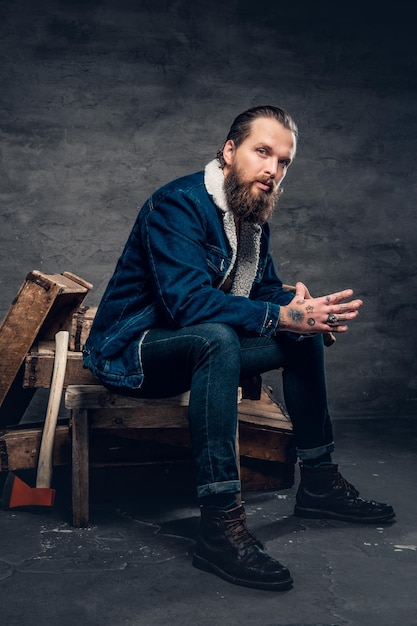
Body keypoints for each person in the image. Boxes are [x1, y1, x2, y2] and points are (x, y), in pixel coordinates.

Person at [83, 105, 395, 591]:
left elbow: (260, 292)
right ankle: (220, 522)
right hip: (132, 352)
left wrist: (303, 310)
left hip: (197, 350)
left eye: (283, 161)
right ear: (230, 152)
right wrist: (285, 315)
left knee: (298, 333)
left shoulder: (250, 215)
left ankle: (318, 481)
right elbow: (187, 304)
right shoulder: (178, 204)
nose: (272, 169)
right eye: (262, 152)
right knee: (217, 336)